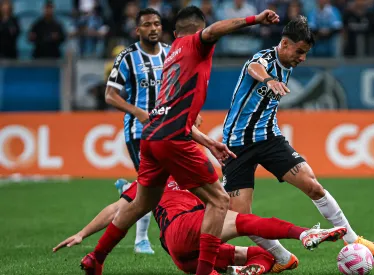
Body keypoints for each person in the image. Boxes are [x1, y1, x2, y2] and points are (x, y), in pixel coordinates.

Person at [81, 6, 281, 275]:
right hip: (173, 137)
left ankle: (96, 257)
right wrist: (253, 20)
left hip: (152, 135)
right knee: (219, 201)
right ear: (199, 30)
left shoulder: (171, 52)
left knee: (141, 202)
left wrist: (208, 142)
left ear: (173, 33)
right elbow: (213, 31)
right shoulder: (195, 43)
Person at [221, 15, 374, 273]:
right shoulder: (264, 59)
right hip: (237, 145)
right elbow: (254, 67)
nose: (302, 58)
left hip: (269, 138)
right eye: (299, 52)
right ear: (284, 43)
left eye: (306, 53)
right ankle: (282, 257)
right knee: (241, 216)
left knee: (313, 185)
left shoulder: (289, 63)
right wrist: (268, 80)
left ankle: (353, 239)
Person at [54, 177, 346, 275]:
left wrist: (83, 235)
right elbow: (117, 210)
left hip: (181, 253)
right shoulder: (155, 179)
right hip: (188, 226)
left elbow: (118, 211)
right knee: (245, 220)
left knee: (263, 256)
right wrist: (82, 233)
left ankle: (242, 271)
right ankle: (305, 233)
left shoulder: (179, 173)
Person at [104, 8, 171, 255]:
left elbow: (178, 86)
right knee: (152, 186)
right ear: (137, 30)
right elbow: (110, 95)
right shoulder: (127, 57)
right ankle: (141, 239)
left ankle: (126, 190)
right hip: (139, 131)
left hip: (167, 129)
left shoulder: (170, 53)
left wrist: (191, 112)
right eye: (147, 25)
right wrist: (138, 112)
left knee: (162, 184)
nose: (153, 28)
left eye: (156, 23)